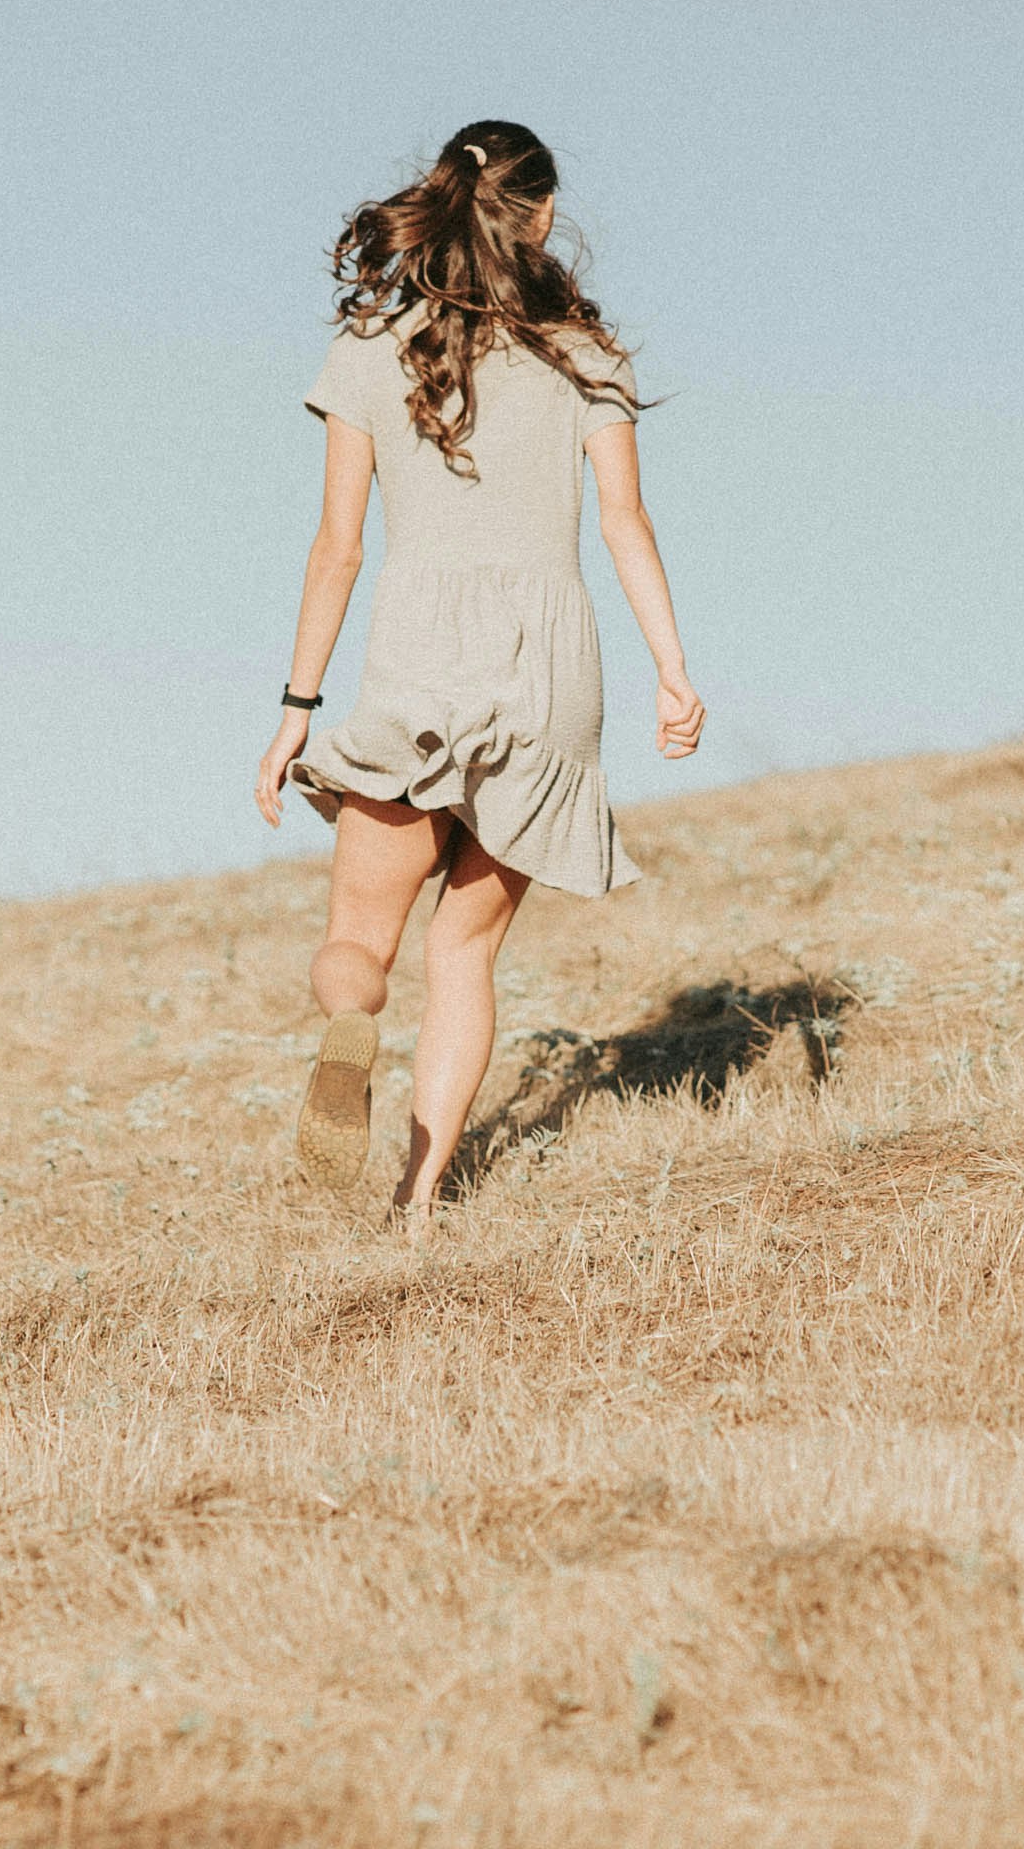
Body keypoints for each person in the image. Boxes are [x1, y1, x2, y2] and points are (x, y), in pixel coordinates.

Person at [250, 120, 703, 1232]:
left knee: (362, 941)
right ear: (541, 214)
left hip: (417, 660)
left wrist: (296, 707)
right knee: (466, 949)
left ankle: (351, 1024)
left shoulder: (372, 346)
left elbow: (335, 547)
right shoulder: (583, 352)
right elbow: (623, 520)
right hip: (550, 670)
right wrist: (673, 670)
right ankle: (417, 1203)